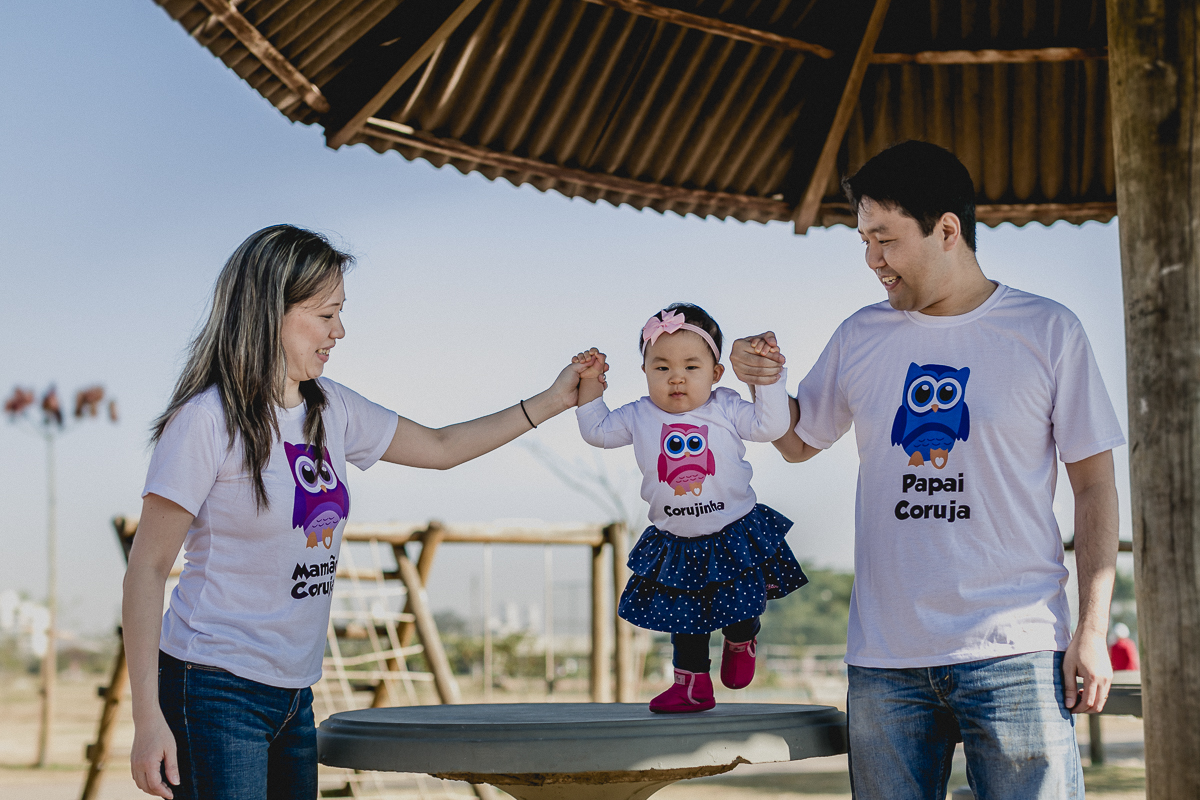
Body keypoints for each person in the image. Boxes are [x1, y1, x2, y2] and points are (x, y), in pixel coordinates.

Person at [123, 224, 588, 800]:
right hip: (212, 686)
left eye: (339, 313)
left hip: (294, 694)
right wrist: (147, 718)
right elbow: (146, 570)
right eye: (326, 314)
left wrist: (554, 400)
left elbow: (441, 447)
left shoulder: (333, 408)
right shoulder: (206, 420)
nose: (339, 332)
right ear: (271, 312)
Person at [729, 141, 1123, 799]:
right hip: (886, 659)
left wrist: (1091, 629)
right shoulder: (860, 335)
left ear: (946, 230)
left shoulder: (1048, 330)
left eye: (886, 239)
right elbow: (797, 442)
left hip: (1017, 649)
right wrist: (763, 382)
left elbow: (1095, 485)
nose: (872, 260)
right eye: (864, 241)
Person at [572, 303, 807, 713]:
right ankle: (693, 686)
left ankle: (742, 639)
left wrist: (770, 378)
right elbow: (596, 431)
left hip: (732, 533)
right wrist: (591, 383)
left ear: (716, 373)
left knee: (739, 603)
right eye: (661, 367)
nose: (676, 377)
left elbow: (770, 426)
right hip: (678, 542)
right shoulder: (639, 414)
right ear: (645, 372)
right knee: (685, 618)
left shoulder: (725, 406)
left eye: (691, 367)